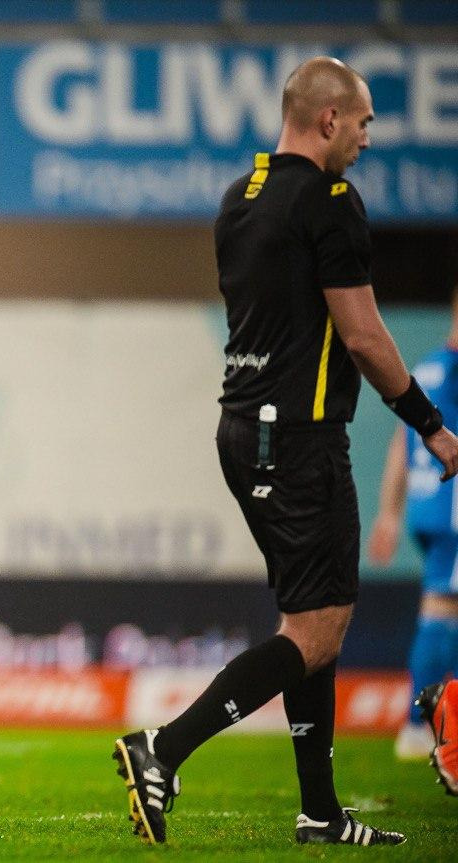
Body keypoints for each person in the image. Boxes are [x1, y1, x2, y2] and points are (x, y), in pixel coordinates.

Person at [112, 56, 458, 847]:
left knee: (310, 621)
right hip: (298, 440)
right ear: (329, 119)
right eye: (363, 123)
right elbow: (364, 337)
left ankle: (320, 811)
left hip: (243, 430)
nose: (367, 139)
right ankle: (163, 747)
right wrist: (431, 425)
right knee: (317, 632)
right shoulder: (331, 202)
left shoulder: (241, 196)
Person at [367, 288, 458, 759]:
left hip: (429, 505)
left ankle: (425, 722)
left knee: (443, 606)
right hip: (453, 504)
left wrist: (389, 512)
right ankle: (418, 724)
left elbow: (400, 445)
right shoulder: (454, 369)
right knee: (443, 606)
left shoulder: (423, 371)